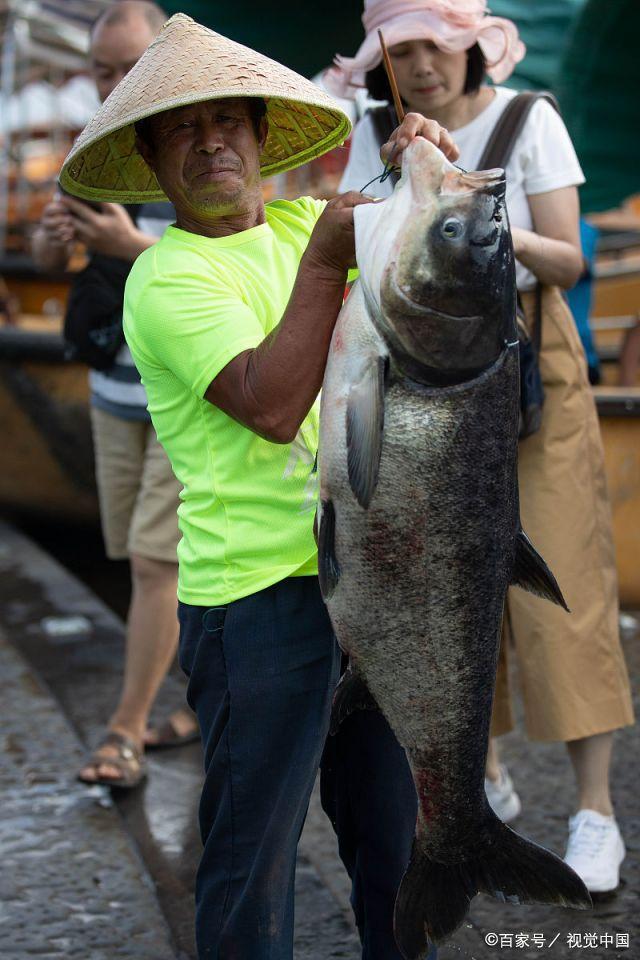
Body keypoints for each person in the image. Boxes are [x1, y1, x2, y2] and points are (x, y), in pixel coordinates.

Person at [58, 13, 458, 958]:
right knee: (252, 862)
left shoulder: (297, 223)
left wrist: (426, 167)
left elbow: (432, 250)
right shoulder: (163, 278)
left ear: (259, 136)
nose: (210, 144)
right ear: (153, 165)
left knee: (394, 848)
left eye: (228, 122)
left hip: (369, 586)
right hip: (255, 605)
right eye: (181, 132)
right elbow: (273, 405)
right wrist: (329, 256)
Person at [331, 0, 634, 895]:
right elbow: (348, 236)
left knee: (563, 579)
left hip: (526, 363)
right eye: (404, 47)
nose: (422, 64)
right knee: (444, 579)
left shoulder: (528, 117)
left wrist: (471, 210)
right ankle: (480, 775)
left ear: (472, 47)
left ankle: (595, 811)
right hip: (416, 363)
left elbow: (571, 262)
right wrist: (403, 187)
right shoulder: (375, 132)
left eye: (439, 43)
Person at [32, 1, 198, 789]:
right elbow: (50, 246)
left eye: (128, 66)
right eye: (101, 69)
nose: (113, 82)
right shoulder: (88, 145)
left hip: (182, 392)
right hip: (110, 384)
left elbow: (241, 252)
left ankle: (125, 729)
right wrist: (53, 240)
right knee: (149, 559)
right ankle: (203, 699)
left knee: (154, 565)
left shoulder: (199, 137)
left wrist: (134, 246)